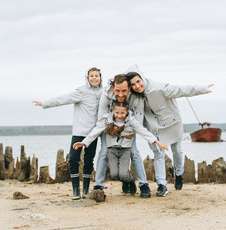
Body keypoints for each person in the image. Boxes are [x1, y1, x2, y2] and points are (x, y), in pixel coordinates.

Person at [126, 64, 214, 197]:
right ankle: (162, 185)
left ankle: (178, 173)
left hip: (172, 122)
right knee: (158, 154)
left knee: (177, 150)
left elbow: (181, 90)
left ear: (142, 78)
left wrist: (204, 88)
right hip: (153, 126)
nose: (137, 86)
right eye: (133, 84)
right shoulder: (133, 96)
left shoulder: (159, 88)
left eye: (138, 81)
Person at [32, 67, 103, 200]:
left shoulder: (103, 92)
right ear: (87, 78)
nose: (94, 78)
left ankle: (86, 190)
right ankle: (76, 190)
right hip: (79, 131)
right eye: (91, 75)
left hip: (93, 133)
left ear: (100, 78)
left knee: (89, 160)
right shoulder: (81, 91)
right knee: (74, 160)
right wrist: (45, 103)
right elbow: (63, 99)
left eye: (97, 76)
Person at [73, 100, 168, 195]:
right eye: (117, 113)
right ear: (112, 111)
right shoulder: (107, 119)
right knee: (114, 174)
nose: (119, 115)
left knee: (123, 173)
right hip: (112, 149)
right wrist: (84, 142)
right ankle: (123, 181)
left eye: (122, 113)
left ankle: (130, 180)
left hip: (125, 149)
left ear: (127, 112)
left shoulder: (131, 120)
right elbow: (96, 130)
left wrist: (156, 141)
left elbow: (142, 130)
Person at [93, 74, 152, 198]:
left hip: (129, 127)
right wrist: (114, 130)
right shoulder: (105, 95)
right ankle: (98, 185)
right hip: (108, 128)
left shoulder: (135, 97)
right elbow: (100, 121)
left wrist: (124, 132)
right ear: (113, 87)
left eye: (124, 91)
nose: (120, 94)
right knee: (103, 152)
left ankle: (143, 184)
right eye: (117, 90)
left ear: (129, 89)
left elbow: (138, 122)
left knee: (134, 152)